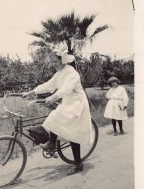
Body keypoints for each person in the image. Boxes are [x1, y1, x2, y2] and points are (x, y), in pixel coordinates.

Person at [23, 44, 93, 174]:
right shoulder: (59, 74)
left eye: (55, 61)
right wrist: (31, 92)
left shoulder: (72, 73)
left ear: (62, 60)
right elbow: (48, 85)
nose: (53, 64)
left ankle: (77, 163)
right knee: (57, 119)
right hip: (68, 101)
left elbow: (66, 88)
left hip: (77, 103)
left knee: (69, 130)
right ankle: (52, 143)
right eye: (52, 62)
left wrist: (54, 97)